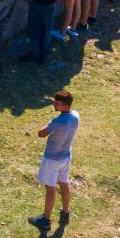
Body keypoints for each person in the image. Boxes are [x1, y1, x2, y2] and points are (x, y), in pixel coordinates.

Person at [30, 90, 79, 230]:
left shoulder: (56, 122)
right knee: (64, 184)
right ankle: (65, 214)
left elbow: (41, 134)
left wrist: (48, 125)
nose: (54, 104)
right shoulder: (75, 117)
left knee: (50, 189)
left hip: (52, 160)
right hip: (65, 157)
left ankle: (45, 220)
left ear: (64, 106)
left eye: (57, 103)